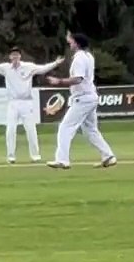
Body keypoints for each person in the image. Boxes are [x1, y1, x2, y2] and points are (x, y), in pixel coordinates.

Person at [0, 47, 63, 164]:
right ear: (10, 57)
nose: (15, 57)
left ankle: (35, 155)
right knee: (10, 129)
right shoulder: (6, 68)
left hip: (26, 102)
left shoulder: (28, 67)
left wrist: (55, 63)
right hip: (13, 103)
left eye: (17, 55)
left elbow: (42, 69)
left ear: (20, 56)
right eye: (13, 55)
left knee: (31, 129)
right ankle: (11, 156)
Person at [46, 32, 117, 170]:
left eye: (71, 42)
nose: (69, 44)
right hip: (89, 96)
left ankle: (62, 160)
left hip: (83, 98)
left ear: (77, 43)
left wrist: (59, 81)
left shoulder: (79, 58)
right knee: (90, 130)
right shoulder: (88, 56)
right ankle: (108, 156)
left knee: (65, 127)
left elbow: (78, 79)